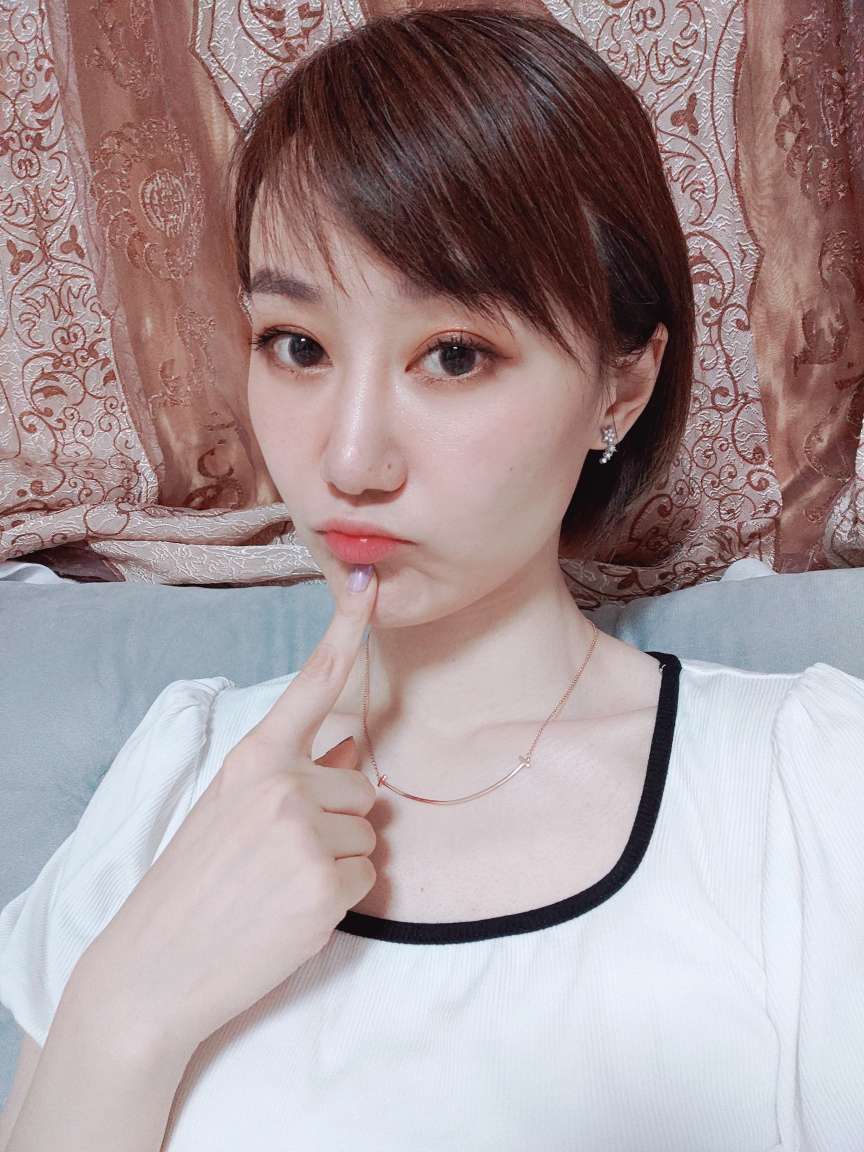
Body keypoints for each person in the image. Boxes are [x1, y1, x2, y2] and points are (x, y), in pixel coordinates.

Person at [1, 6, 863, 1150]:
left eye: (454, 355)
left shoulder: (801, 789)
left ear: (620, 385)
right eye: (297, 346)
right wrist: (130, 1009)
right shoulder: (178, 779)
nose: (350, 460)